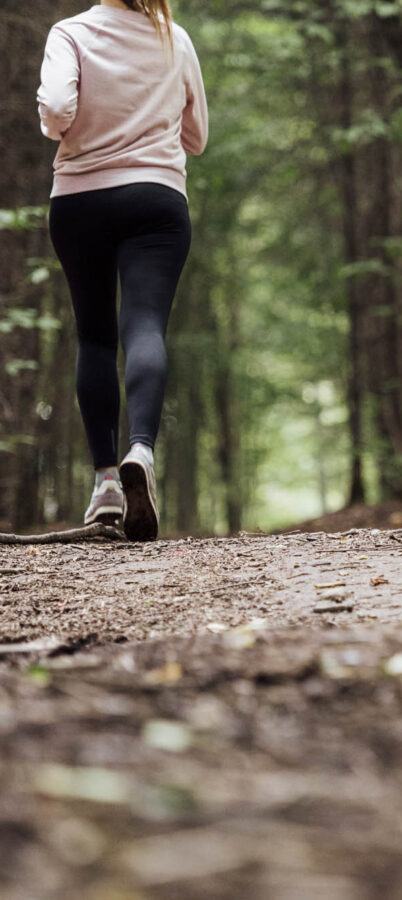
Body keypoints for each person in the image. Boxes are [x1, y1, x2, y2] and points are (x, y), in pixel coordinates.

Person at [37, 0, 208, 541]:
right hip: (157, 200)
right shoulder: (173, 39)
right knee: (144, 327)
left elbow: (57, 109)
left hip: (80, 199)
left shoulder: (69, 33)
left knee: (94, 337)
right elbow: (196, 136)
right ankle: (142, 450)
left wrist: (65, 126)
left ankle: (107, 482)